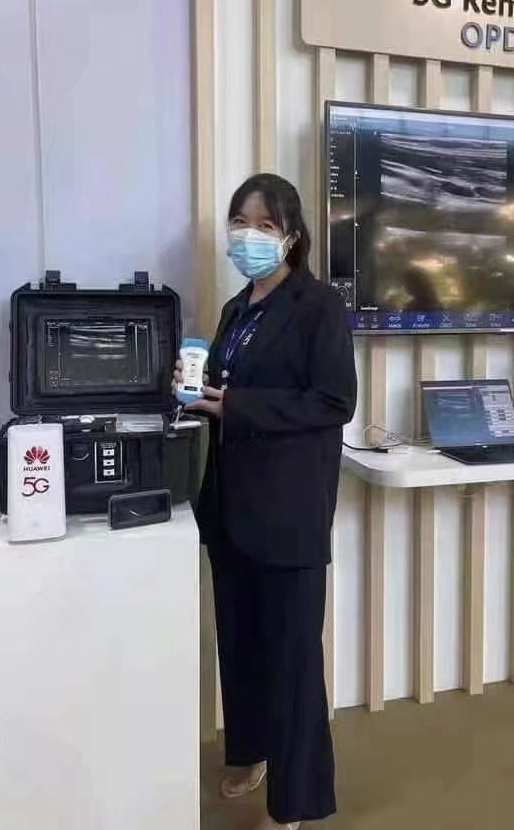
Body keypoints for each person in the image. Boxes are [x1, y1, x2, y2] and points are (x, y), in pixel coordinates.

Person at [174, 173, 357, 830]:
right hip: (231, 509)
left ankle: (296, 800)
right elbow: (224, 392)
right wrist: (193, 392)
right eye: (239, 222)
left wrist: (238, 405)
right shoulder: (235, 310)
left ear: (292, 236)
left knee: (292, 658)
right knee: (241, 643)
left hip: (289, 513)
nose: (247, 235)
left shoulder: (318, 306)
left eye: (264, 225)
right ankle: (249, 752)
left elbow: (334, 401)